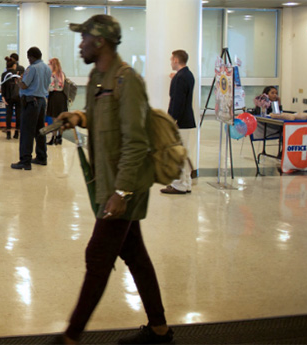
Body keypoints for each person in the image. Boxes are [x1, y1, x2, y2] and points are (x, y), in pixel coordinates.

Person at [55, 14, 172, 345]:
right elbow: (103, 119)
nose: (80, 45)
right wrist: (78, 116)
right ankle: (160, 330)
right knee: (134, 254)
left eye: (84, 39)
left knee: (97, 257)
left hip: (126, 186)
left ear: (100, 42)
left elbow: (136, 142)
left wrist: (121, 193)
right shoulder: (97, 77)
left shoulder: (127, 81)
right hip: (109, 183)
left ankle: (71, 337)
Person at [161, 49, 196, 195]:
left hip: (180, 122)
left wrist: (172, 120)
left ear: (176, 60)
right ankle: (186, 183)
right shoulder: (187, 75)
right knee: (183, 152)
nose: (170, 62)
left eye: (171, 59)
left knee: (177, 154)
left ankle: (179, 185)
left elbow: (177, 101)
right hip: (187, 120)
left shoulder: (180, 78)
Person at [10, 47, 51, 171]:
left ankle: (25, 161)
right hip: (42, 101)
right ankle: (41, 157)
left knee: (27, 131)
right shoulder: (47, 68)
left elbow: (24, 85)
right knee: (40, 131)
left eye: (28, 58)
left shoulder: (32, 68)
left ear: (31, 57)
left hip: (31, 102)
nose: (28, 60)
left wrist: (18, 81)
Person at [46, 57, 68, 146]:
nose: (49, 66)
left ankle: (53, 138)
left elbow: (50, 88)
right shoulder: (62, 74)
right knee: (61, 118)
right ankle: (60, 137)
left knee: (54, 118)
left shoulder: (52, 75)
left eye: (50, 64)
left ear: (53, 65)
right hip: (62, 97)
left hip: (54, 97)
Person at [0, 57, 21, 140]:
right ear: (14, 65)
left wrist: (3, 96)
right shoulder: (18, 73)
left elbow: (3, 86)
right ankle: (17, 132)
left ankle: (8, 132)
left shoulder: (4, 74)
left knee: (9, 114)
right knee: (18, 114)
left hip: (8, 96)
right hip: (18, 96)